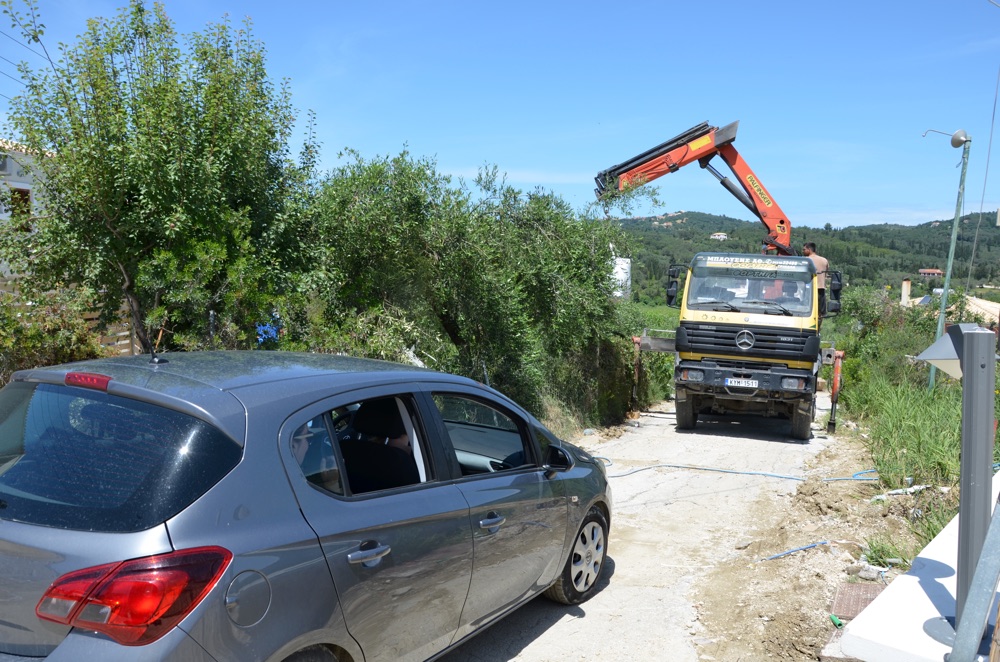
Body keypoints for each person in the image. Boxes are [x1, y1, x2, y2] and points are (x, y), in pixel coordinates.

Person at [802, 242, 829, 319]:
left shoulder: (805, 260)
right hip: (821, 289)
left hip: (808, 289)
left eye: (804, 249)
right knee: (821, 315)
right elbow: (826, 275)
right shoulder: (824, 260)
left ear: (809, 249)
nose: (803, 251)